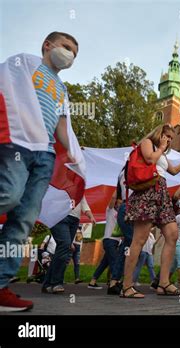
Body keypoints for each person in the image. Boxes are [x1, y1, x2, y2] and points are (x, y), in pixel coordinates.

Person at [0, 31, 78, 311]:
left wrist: (72, 152)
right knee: (8, 196)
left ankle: (1, 285)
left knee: (23, 219)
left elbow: (61, 124)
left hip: (44, 153)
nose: (69, 54)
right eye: (66, 47)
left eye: (74, 53)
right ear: (48, 45)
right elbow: (7, 88)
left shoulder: (62, 89)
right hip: (19, 143)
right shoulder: (26, 64)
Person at [121, 123, 180, 298]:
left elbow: (174, 171)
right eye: (167, 136)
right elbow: (149, 160)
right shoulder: (148, 143)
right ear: (159, 134)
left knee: (172, 234)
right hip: (147, 192)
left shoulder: (162, 152)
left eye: (171, 138)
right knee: (139, 240)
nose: (169, 140)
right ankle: (126, 286)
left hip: (162, 192)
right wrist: (161, 147)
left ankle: (163, 283)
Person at [42, 196, 95, 294]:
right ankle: (56, 283)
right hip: (59, 216)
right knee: (65, 246)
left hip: (74, 219)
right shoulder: (59, 181)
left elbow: (82, 201)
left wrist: (90, 215)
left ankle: (47, 284)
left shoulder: (79, 182)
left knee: (62, 250)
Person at [89, 192, 122, 290]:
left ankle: (92, 282)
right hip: (109, 240)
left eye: (121, 204)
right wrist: (118, 188)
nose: (119, 205)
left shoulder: (120, 214)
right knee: (115, 262)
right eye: (118, 203)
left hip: (115, 242)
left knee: (104, 263)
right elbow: (112, 198)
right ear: (115, 203)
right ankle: (115, 282)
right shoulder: (110, 211)